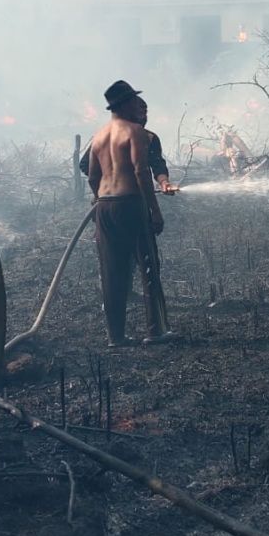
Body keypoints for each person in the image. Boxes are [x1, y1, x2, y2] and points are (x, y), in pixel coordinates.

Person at [87, 80, 176, 347]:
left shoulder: (99, 136)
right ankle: (155, 331)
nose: (138, 105)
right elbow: (140, 171)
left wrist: (99, 198)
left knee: (112, 272)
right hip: (130, 204)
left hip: (104, 205)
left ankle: (116, 336)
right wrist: (154, 209)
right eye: (135, 101)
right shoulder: (135, 131)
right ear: (125, 104)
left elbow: (93, 176)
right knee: (148, 266)